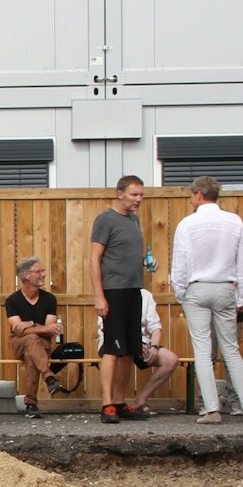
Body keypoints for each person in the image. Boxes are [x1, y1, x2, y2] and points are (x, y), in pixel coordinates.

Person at [171, 175, 243, 425]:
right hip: (225, 288)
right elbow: (242, 264)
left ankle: (211, 409)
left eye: (191, 195)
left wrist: (181, 294)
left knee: (202, 351)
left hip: (197, 288)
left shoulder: (187, 224)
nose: (190, 199)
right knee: (231, 350)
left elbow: (180, 264)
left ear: (199, 195)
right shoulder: (234, 222)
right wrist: (241, 297)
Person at [90, 176, 150, 424]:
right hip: (113, 291)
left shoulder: (134, 220)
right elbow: (94, 259)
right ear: (120, 194)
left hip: (134, 289)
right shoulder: (105, 220)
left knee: (129, 351)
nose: (138, 199)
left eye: (141, 195)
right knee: (113, 350)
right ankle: (107, 406)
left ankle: (119, 401)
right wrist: (99, 296)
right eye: (134, 194)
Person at [97, 287, 181, 414]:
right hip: (111, 338)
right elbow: (105, 327)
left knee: (171, 360)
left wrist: (154, 347)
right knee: (121, 352)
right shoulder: (111, 293)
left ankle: (140, 400)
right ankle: (112, 403)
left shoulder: (145, 295)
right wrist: (132, 341)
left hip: (140, 340)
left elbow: (155, 326)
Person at [3, 257, 63, 419]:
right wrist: (37, 325)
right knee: (31, 340)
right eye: (39, 271)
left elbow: (50, 331)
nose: (43, 274)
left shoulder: (49, 299)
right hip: (18, 343)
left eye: (43, 271)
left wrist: (29, 326)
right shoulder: (12, 300)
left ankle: (31, 403)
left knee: (33, 348)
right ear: (26, 275)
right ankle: (48, 375)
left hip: (41, 345)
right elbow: (18, 330)